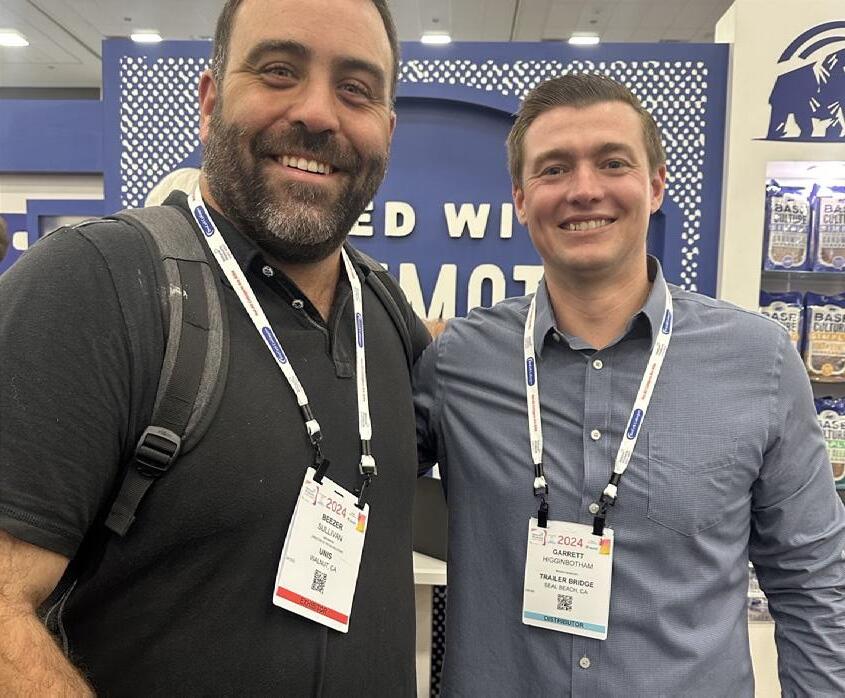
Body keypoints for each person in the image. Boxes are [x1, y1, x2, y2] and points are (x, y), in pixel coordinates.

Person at [0, 0, 429, 694]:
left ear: (387, 127)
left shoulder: (384, 311)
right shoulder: (98, 283)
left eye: (356, 89)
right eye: (279, 70)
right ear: (209, 100)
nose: (318, 113)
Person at [414, 74, 845, 696]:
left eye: (613, 163)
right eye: (554, 169)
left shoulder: (760, 361)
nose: (584, 189)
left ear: (656, 185)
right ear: (521, 199)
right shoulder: (459, 361)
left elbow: (813, 583)